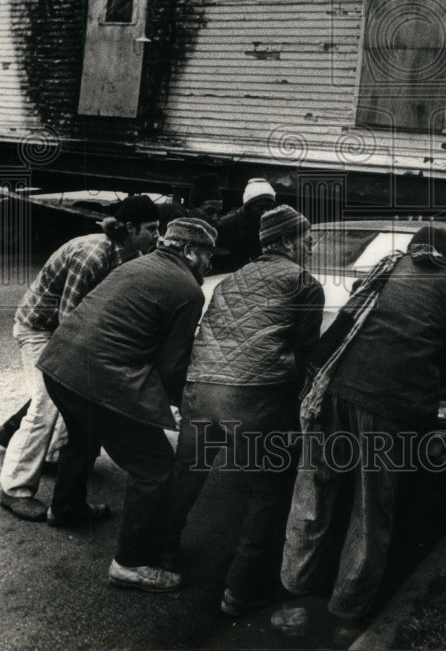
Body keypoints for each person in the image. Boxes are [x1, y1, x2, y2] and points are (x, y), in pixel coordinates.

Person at [271, 225, 446, 646]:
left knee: (314, 495)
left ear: (411, 251)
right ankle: (347, 616)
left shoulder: (383, 270)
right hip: (388, 406)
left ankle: (293, 600)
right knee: (372, 512)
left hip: (329, 393)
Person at [37, 218, 218, 592]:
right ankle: (130, 562)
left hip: (58, 365)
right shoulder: (188, 290)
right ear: (187, 251)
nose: (209, 265)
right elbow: (172, 365)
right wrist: (180, 405)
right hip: (96, 379)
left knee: (83, 436)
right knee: (154, 468)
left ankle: (65, 510)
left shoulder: (135, 263)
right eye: (205, 256)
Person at [164, 205, 324, 616]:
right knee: (269, 491)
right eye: (307, 238)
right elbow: (305, 356)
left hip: (200, 391)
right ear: (288, 241)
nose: (312, 244)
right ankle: (242, 590)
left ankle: (160, 555)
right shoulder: (305, 283)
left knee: (186, 475)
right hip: (253, 398)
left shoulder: (231, 279)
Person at [0, 195, 161, 522]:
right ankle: (14, 489)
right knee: (46, 405)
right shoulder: (92, 255)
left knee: (66, 396)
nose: (157, 235)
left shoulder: (131, 252)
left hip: (60, 327)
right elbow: (68, 320)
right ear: (130, 228)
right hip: (39, 329)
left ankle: (53, 455)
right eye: (152, 229)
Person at [213, 177, 276, 272]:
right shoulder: (226, 225)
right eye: (260, 207)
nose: (265, 212)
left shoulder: (269, 224)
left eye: (269, 207)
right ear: (248, 206)